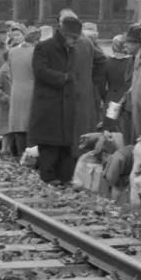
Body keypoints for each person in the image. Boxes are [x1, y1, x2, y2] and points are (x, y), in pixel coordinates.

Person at [29, 16, 104, 185]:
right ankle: (48, 177)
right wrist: (63, 78)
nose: (76, 41)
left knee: (65, 143)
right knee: (49, 143)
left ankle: (63, 178)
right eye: (74, 38)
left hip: (67, 105)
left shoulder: (73, 50)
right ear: (64, 34)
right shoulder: (44, 47)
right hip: (49, 105)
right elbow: (39, 70)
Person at [6, 29, 37, 157]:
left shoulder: (12, 52)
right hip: (31, 91)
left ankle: (18, 154)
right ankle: (29, 156)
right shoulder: (35, 52)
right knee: (29, 125)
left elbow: (10, 71)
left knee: (19, 126)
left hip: (16, 90)